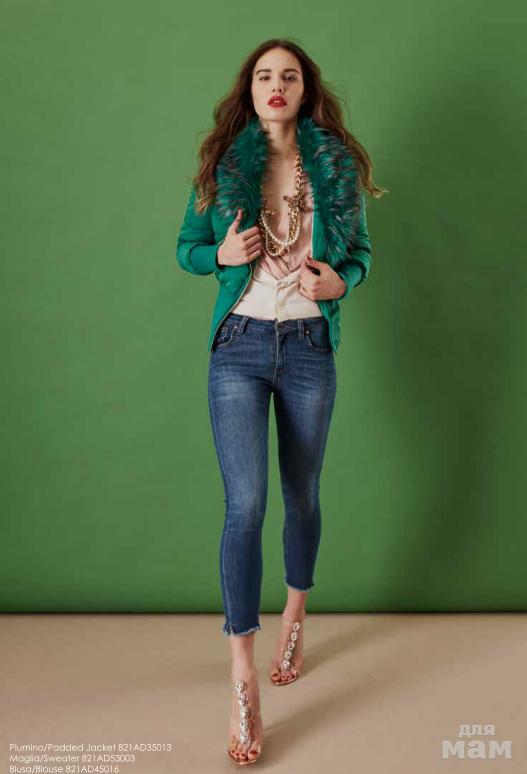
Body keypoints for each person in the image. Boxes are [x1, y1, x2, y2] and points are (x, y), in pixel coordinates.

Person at [176, 38, 386, 766]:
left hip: (306, 346)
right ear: (250, 89)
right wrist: (218, 256)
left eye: (288, 76)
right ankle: (242, 674)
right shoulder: (221, 167)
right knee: (245, 506)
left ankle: (296, 610)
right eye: (264, 75)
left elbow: (360, 254)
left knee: (302, 495)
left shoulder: (335, 168)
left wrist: (342, 282)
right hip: (237, 343)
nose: (276, 85)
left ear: (305, 90)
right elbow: (186, 247)